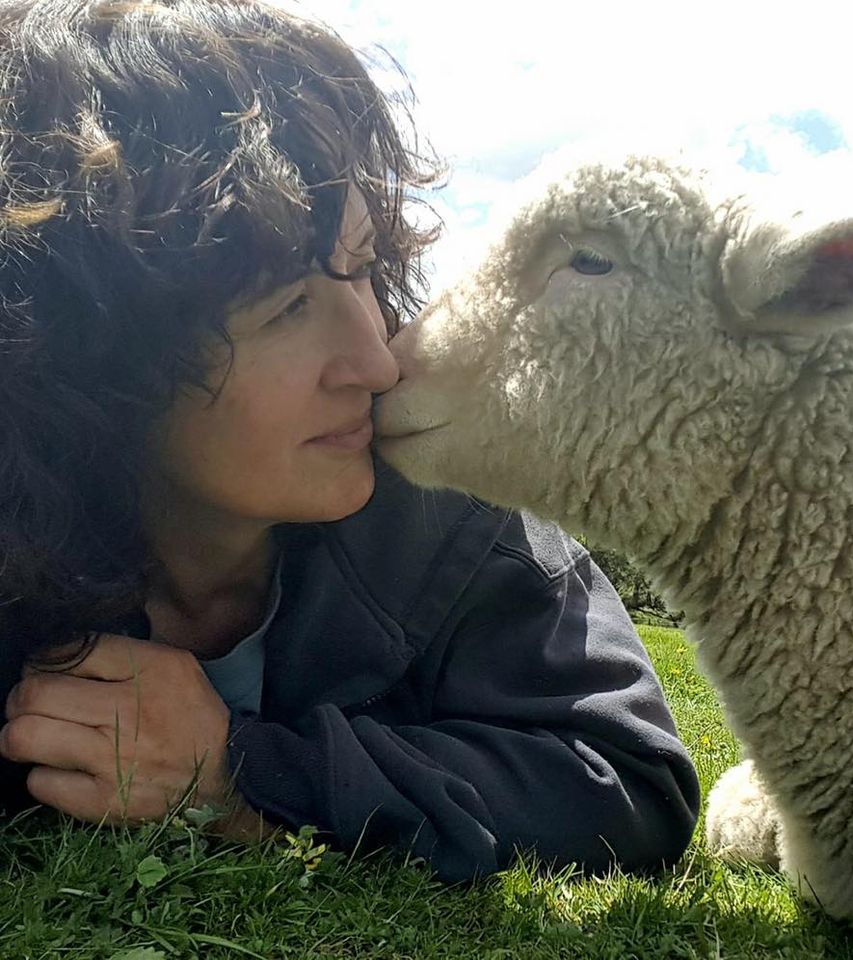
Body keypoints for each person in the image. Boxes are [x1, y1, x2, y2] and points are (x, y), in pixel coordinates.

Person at [0, 0, 699, 882]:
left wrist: (243, 774)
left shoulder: (454, 506)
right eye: (288, 306)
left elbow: (624, 785)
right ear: (93, 344)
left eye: (366, 269)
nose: (376, 362)